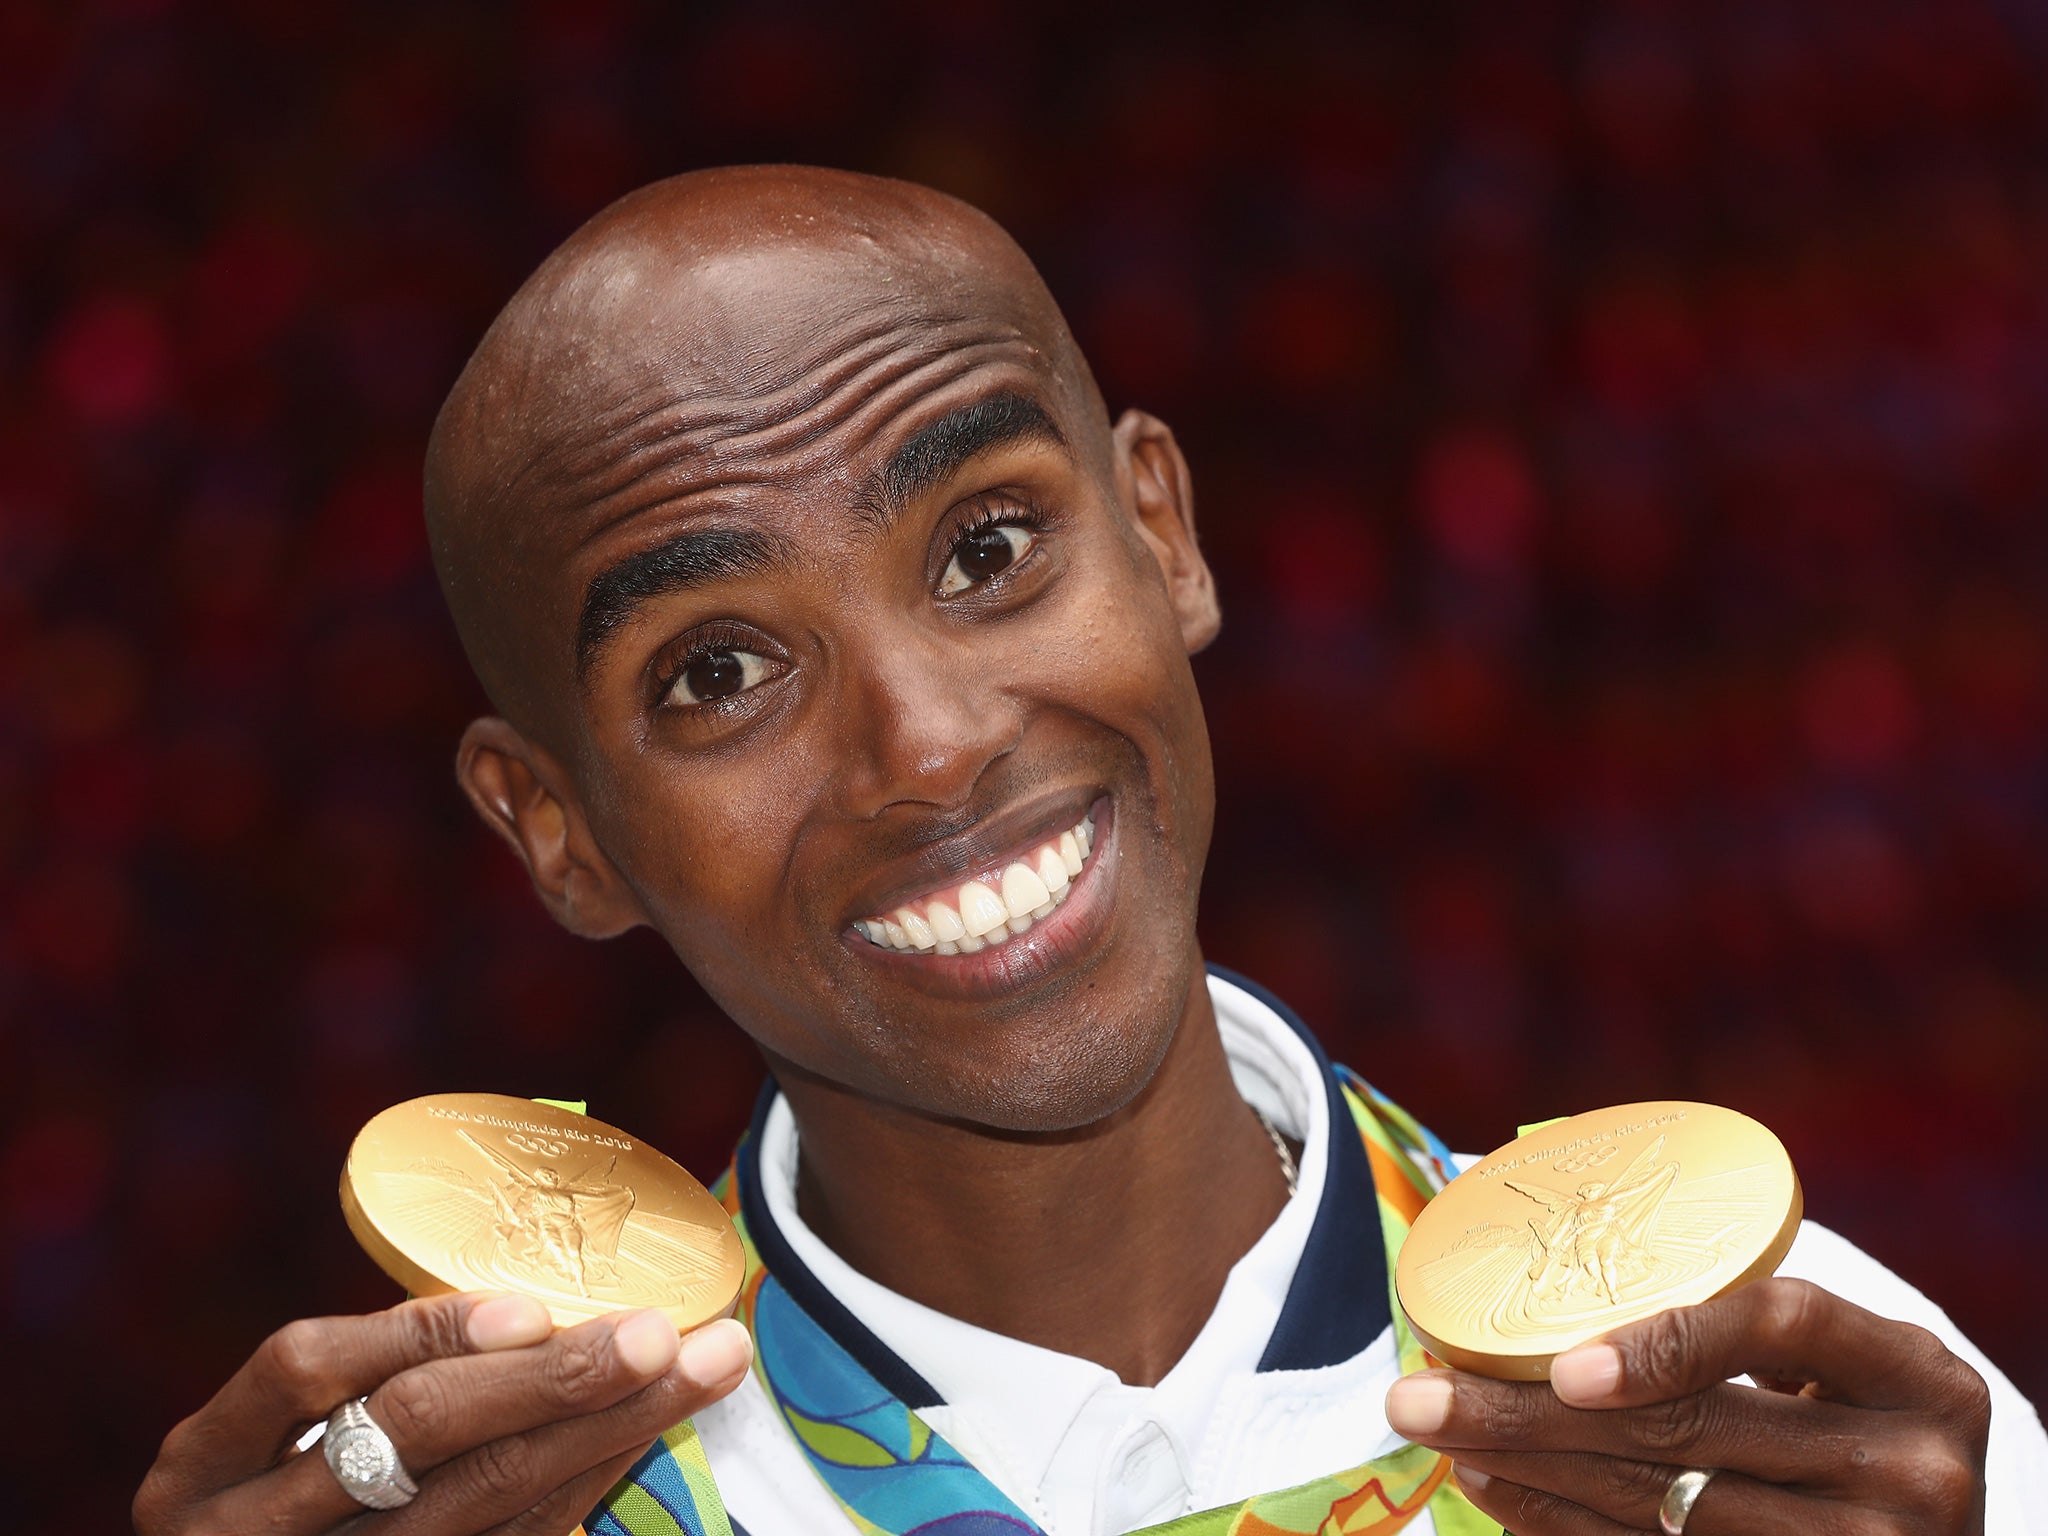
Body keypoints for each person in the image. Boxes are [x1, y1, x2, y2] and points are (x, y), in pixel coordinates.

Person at [134, 166, 2047, 1536]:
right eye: (719, 672)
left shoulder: (1800, 1418)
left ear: (1165, 533)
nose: (932, 742)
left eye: (986, 549)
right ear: (559, 829)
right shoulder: (484, 1509)